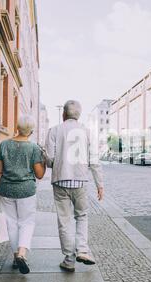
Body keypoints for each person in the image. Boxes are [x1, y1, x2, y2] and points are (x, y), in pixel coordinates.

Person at [45, 100, 104, 273]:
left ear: (63, 114)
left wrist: (58, 163)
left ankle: (69, 259)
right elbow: (94, 161)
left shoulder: (54, 130)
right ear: (78, 115)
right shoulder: (87, 132)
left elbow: (49, 159)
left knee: (64, 220)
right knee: (82, 216)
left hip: (60, 181)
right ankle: (83, 250)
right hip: (80, 182)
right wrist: (100, 184)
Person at [0, 115, 46, 275]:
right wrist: (44, 164)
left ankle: (14, 257)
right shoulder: (34, 148)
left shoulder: (4, 145)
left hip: (6, 190)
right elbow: (39, 175)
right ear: (31, 131)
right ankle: (21, 254)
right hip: (26, 191)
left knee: (10, 223)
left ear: (17, 127)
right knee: (26, 222)